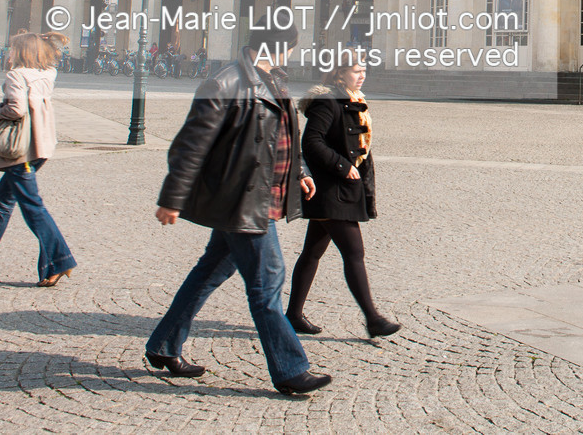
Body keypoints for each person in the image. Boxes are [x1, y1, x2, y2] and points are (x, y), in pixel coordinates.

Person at [145, 24, 331, 395]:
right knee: (268, 284)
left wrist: (301, 172)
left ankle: (163, 345)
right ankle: (290, 369)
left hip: (260, 195)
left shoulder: (274, 80)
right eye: (291, 48)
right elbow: (189, 145)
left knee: (208, 272)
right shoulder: (225, 84)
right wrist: (172, 198)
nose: (293, 55)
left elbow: (284, 136)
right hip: (242, 199)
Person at [286, 56, 400, 339]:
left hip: (340, 190)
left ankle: (293, 315)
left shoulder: (352, 99)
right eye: (356, 71)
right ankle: (373, 318)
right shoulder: (329, 102)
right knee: (354, 254)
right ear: (340, 73)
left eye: (364, 71)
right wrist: (343, 165)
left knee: (312, 253)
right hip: (330, 191)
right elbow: (311, 142)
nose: (362, 76)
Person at [0, 31, 77, 287]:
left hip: (20, 149)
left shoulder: (16, 76)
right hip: (41, 147)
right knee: (0, 207)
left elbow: (16, 109)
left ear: (22, 52)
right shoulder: (48, 74)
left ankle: (59, 261)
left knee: (33, 208)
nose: (8, 53)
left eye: (12, 49)